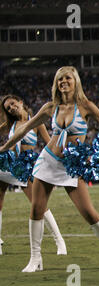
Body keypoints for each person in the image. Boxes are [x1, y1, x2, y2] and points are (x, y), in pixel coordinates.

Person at [0, 66, 99, 272]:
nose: (63, 82)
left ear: (75, 81)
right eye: (59, 79)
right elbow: (25, 128)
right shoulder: (51, 107)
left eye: (67, 78)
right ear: (56, 84)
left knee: (88, 212)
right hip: (48, 160)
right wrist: (5, 147)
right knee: (36, 208)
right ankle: (35, 259)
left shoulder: (85, 106)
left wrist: (96, 153)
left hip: (71, 165)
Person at [0, 95, 66, 256]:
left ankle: (59, 241)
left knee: (39, 204)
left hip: (26, 167)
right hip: (8, 165)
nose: (11, 108)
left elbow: (50, 142)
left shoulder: (36, 121)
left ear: (21, 102)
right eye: (8, 108)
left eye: (13, 104)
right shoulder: (10, 124)